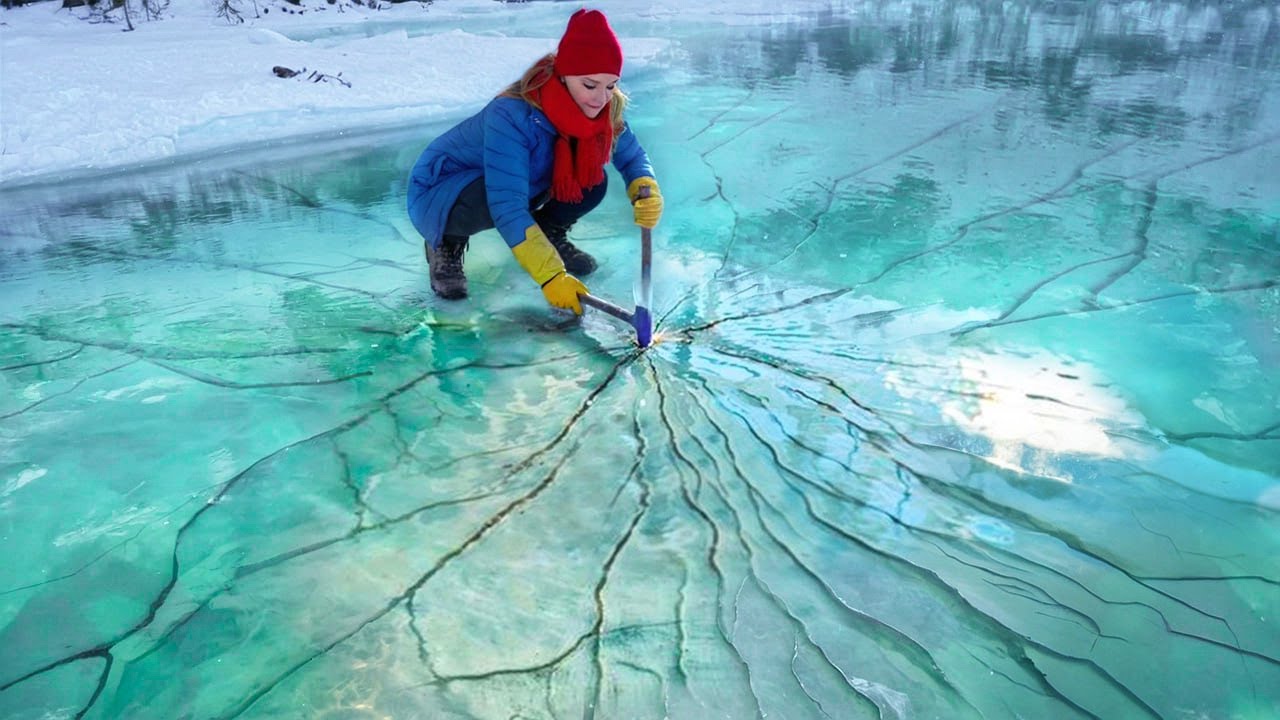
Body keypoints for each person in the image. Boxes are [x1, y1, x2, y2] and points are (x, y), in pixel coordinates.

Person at [406, 8, 663, 315]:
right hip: (441, 191)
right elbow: (506, 205)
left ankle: (549, 231)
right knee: (487, 200)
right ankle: (445, 243)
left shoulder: (605, 108)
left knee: (592, 179)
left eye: (610, 86)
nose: (601, 98)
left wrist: (645, 186)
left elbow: (632, 155)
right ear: (564, 75)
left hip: (523, 181)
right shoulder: (511, 114)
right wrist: (551, 275)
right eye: (590, 85)